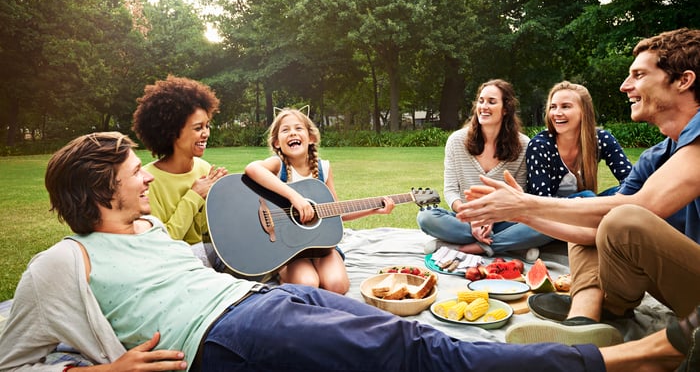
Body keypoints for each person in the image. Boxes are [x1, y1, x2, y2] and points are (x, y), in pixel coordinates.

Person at [0, 131, 696, 372]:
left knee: (400, 339)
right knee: (419, 355)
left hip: (264, 302)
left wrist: (283, 237)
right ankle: (628, 358)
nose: (147, 175)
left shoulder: (145, 233)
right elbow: (11, 352)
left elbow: (220, 260)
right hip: (230, 335)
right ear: (102, 188)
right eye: (133, 171)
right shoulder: (65, 263)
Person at [459, 28, 700, 358]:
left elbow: (641, 207)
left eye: (639, 75)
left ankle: (597, 311)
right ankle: (584, 319)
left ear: (684, 80)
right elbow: (593, 226)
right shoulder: (657, 155)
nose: (625, 86)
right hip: (679, 285)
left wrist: (526, 202)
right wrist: (520, 213)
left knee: (615, 214)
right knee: (588, 208)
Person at [244, 107, 394, 294]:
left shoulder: (323, 169)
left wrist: (374, 209)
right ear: (276, 143)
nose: (292, 133)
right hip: (291, 250)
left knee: (337, 285)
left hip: (321, 244)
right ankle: (282, 272)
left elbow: (336, 212)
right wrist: (295, 197)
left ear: (311, 138)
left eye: (298, 128)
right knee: (308, 284)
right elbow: (252, 169)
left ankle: (314, 267)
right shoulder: (278, 165)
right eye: (285, 130)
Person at [417, 79, 552, 262]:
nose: (484, 106)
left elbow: (517, 197)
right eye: (481, 101)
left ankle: (465, 247)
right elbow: (450, 191)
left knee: (549, 223)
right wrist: (474, 218)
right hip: (465, 218)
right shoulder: (456, 141)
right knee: (426, 217)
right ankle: (513, 246)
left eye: (491, 101)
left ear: (505, 109)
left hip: (505, 220)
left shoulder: (523, 145)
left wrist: (492, 217)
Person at [132, 75, 228, 269]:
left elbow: (207, 233)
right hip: (175, 262)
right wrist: (194, 196)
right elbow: (163, 242)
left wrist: (219, 202)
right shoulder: (148, 180)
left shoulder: (203, 168)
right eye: (198, 128)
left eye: (207, 126)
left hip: (206, 255)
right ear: (172, 132)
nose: (206, 133)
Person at [527, 81, 632, 199]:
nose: (557, 113)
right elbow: (541, 200)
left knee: (631, 191)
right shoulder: (540, 145)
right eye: (553, 107)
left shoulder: (600, 139)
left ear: (584, 111)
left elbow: (631, 181)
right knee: (587, 196)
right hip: (549, 212)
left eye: (565, 106)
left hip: (587, 205)